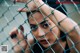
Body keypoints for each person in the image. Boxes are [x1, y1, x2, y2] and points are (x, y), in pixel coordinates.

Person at [9, 0, 80, 53]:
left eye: (46, 25)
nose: (40, 34)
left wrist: (39, 3)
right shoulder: (32, 45)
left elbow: (73, 30)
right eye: (33, 27)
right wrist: (19, 51)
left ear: (59, 24)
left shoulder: (72, 45)